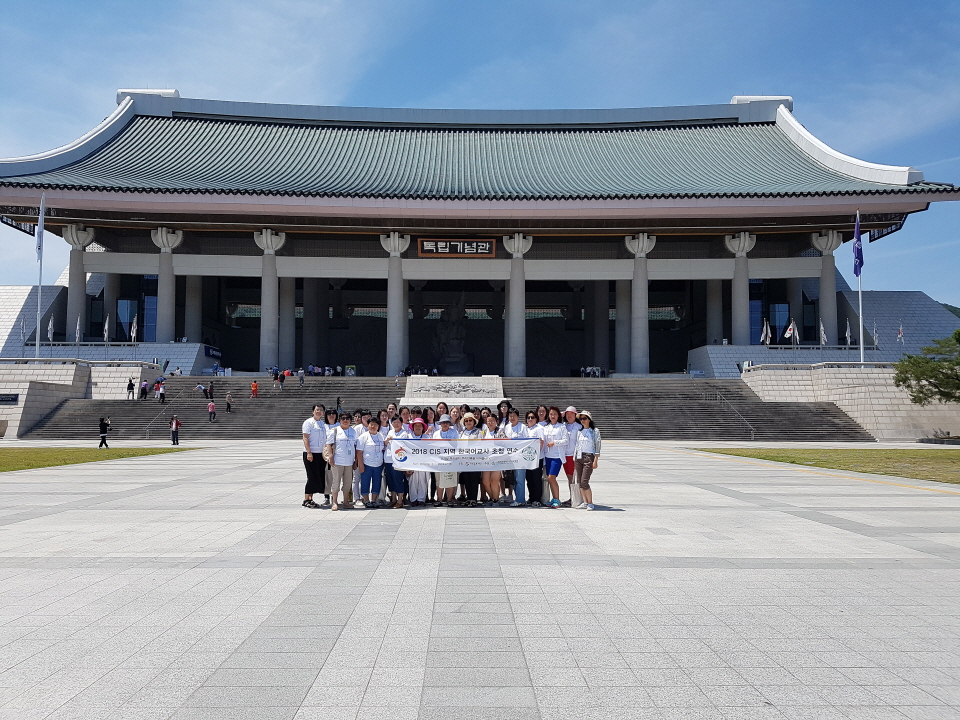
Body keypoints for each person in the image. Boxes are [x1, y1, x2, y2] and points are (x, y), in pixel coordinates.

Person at [325, 411, 358, 511]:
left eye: (347, 418)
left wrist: (355, 460)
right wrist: (330, 457)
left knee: (348, 483)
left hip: (349, 462)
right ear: (339, 420)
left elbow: (355, 446)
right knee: (336, 482)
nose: (345, 420)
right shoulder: (334, 431)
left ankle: (346, 501)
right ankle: (335, 502)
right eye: (343, 418)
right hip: (337, 461)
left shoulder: (353, 431)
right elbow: (329, 445)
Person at [541, 406, 568, 508]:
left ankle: (557, 499)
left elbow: (566, 441)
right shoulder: (546, 427)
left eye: (555, 414)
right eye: (551, 414)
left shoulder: (562, 427)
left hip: (557, 456)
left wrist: (554, 443)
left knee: (551, 477)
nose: (553, 416)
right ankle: (554, 499)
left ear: (558, 416)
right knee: (549, 479)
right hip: (547, 456)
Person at [574, 411, 600, 511]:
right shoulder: (579, 431)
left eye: (584, 418)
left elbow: (598, 445)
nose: (582, 421)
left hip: (589, 456)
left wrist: (596, 459)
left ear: (589, 419)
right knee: (580, 481)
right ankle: (585, 502)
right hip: (579, 456)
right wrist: (574, 457)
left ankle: (590, 503)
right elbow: (577, 445)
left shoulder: (594, 431)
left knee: (585, 481)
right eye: (581, 419)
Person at [356, 417, 385, 508]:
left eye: (375, 424)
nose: (373, 426)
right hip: (367, 464)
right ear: (368, 425)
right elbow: (359, 452)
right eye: (371, 424)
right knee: (365, 482)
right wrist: (361, 465)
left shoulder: (381, 436)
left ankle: (373, 500)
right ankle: (366, 500)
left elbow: (383, 449)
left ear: (378, 426)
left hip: (378, 464)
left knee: (377, 482)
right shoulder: (363, 437)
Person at [502, 407, 528, 506]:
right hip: (510, 456)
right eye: (510, 416)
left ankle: (520, 500)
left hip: (520, 457)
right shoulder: (507, 427)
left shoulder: (523, 427)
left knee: (520, 478)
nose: (512, 418)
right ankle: (518, 498)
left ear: (518, 417)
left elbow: (527, 441)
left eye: (514, 416)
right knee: (513, 478)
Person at [301, 405, 326, 509]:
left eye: (321, 410)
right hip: (311, 453)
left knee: (318, 476)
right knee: (311, 476)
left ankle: (310, 498)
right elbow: (305, 438)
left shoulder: (323, 424)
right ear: (313, 411)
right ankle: (307, 499)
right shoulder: (308, 422)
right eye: (317, 410)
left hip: (321, 454)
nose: (319, 412)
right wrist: (309, 452)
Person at [384, 415, 410, 509]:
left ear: (402, 423)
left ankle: (400, 500)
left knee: (398, 480)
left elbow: (403, 445)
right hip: (388, 459)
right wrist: (387, 440)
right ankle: (393, 499)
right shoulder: (390, 432)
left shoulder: (404, 433)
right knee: (390, 480)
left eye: (398, 422)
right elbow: (385, 443)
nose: (396, 424)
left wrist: (393, 440)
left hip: (398, 460)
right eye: (394, 422)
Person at [433, 414, 460, 507]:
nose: (445, 424)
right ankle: (439, 499)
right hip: (439, 460)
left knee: (450, 480)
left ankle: (449, 499)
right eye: (443, 422)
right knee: (439, 480)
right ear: (440, 423)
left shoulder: (454, 432)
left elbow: (457, 445)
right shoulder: (436, 433)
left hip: (451, 460)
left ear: (449, 423)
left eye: (447, 422)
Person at [479, 414, 505, 506]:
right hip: (486, 460)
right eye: (488, 421)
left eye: (492, 421)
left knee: (494, 480)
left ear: (496, 422)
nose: (490, 423)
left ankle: (496, 500)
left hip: (497, 459)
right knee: (485, 481)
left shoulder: (500, 431)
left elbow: (504, 443)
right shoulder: (484, 432)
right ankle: (492, 497)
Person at [405, 418, 430, 506]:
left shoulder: (427, 437)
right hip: (412, 463)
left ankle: (421, 499)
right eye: (416, 425)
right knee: (413, 481)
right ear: (413, 427)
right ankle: (413, 499)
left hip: (424, 463)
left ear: (423, 427)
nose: (418, 427)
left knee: (423, 481)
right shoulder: (408, 437)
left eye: (420, 426)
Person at [458, 413, 482, 506]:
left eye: (470, 420)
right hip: (464, 459)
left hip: (475, 459)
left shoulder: (478, 432)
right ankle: (468, 498)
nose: (468, 422)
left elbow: (480, 444)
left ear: (474, 422)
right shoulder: (461, 433)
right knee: (467, 478)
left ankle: (474, 499)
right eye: (466, 421)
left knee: (474, 479)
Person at [562, 406, 583, 507]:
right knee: (569, 478)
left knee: (577, 478)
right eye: (567, 414)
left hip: (575, 456)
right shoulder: (563, 426)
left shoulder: (579, 427)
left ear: (575, 415)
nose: (569, 416)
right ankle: (572, 497)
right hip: (565, 455)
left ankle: (578, 498)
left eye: (571, 414)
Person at [524, 411, 545, 506]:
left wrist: (536, 454)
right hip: (527, 458)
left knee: (536, 478)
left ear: (536, 419)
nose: (530, 419)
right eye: (528, 417)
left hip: (537, 458)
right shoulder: (525, 429)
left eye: (532, 417)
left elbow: (541, 442)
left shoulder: (539, 428)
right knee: (529, 479)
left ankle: (537, 499)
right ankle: (531, 497)